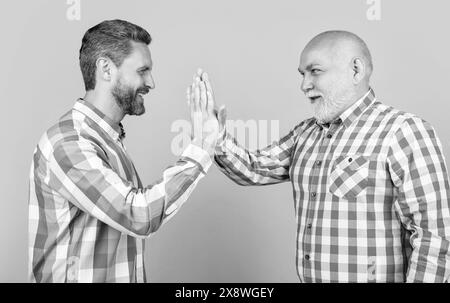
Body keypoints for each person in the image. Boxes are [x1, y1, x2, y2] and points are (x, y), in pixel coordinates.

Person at [196, 30, 450, 282]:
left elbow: (435, 236)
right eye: (302, 74)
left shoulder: (402, 130)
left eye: (315, 71)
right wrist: (215, 137)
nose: (304, 85)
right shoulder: (304, 134)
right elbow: (253, 169)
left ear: (356, 70)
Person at [28, 19, 218, 283]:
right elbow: (138, 215)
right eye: (143, 70)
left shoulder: (107, 139)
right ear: (106, 69)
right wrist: (202, 147)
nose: (152, 82)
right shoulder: (69, 142)